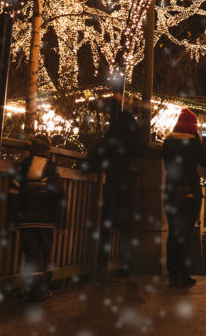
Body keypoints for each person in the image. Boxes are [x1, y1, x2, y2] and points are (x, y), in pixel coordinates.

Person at [87, 93, 144, 277]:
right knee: (127, 227)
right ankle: (128, 264)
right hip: (125, 182)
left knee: (106, 225)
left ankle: (101, 264)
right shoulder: (132, 136)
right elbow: (139, 149)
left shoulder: (114, 134)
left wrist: (89, 165)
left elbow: (100, 151)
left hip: (111, 181)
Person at [8, 135, 65, 301]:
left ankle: (35, 290)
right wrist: (61, 222)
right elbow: (60, 197)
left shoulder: (22, 171)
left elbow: (13, 197)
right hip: (47, 222)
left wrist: (11, 223)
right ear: (47, 152)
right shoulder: (52, 173)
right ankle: (41, 290)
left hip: (26, 220)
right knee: (45, 254)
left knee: (32, 255)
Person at [161, 106, 206, 288]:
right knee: (186, 233)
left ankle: (172, 272)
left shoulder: (167, 142)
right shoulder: (193, 143)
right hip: (190, 191)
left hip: (172, 191)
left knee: (174, 232)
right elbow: (205, 161)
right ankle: (182, 273)